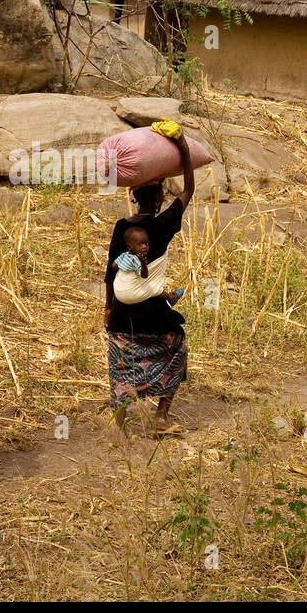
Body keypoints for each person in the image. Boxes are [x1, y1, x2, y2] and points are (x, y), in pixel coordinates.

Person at [104, 133, 195, 436]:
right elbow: (189, 189)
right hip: (154, 316)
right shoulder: (163, 223)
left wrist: (107, 307)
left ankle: (119, 425)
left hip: (122, 315)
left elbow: (109, 273)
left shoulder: (122, 228)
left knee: (120, 365)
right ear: (158, 199)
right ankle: (161, 417)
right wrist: (182, 148)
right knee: (178, 347)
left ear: (134, 197)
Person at [112, 225, 185, 305]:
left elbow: (114, 266)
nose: (144, 247)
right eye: (140, 244)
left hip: (117, 289)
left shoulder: (124, 255)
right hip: (128, 294)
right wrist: (143, 263)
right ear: (129, 246)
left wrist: (124, 267)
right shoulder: (136, 260)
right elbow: (144, 276)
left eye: (146, 243)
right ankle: (171, 298)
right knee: (154, 287)